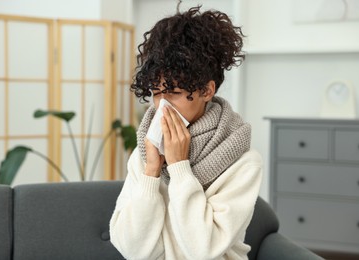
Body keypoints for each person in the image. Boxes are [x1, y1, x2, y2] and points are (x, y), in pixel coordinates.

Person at [109, 6, 262, 260]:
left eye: (175, 94)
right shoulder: (146, 151)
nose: (162, 106)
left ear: (207, 91)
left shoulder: (243, 161)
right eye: (157, 94)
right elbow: (131, 250)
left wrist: (180, 167)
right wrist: (151, 173)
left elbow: (202, 250)